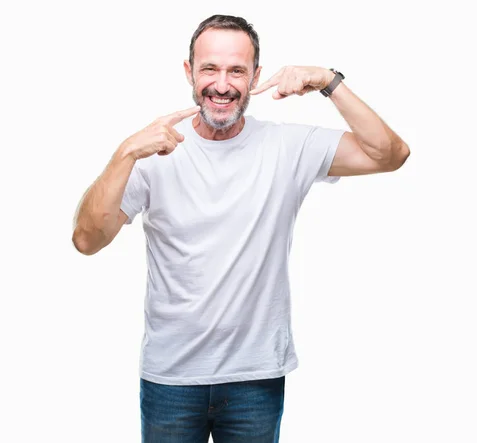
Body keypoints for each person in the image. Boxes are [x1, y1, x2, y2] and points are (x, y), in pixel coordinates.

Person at [71, 13, 410, 443]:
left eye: (237, 70)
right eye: (209, 68)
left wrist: (328, 81)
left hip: (255, 378)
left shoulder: (288, 146)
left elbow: (390, 154)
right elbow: (87, 240)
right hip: (171, 378)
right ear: (189, 72)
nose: (222, 84)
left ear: (255, 77)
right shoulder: (154, 150)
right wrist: (123, 155)